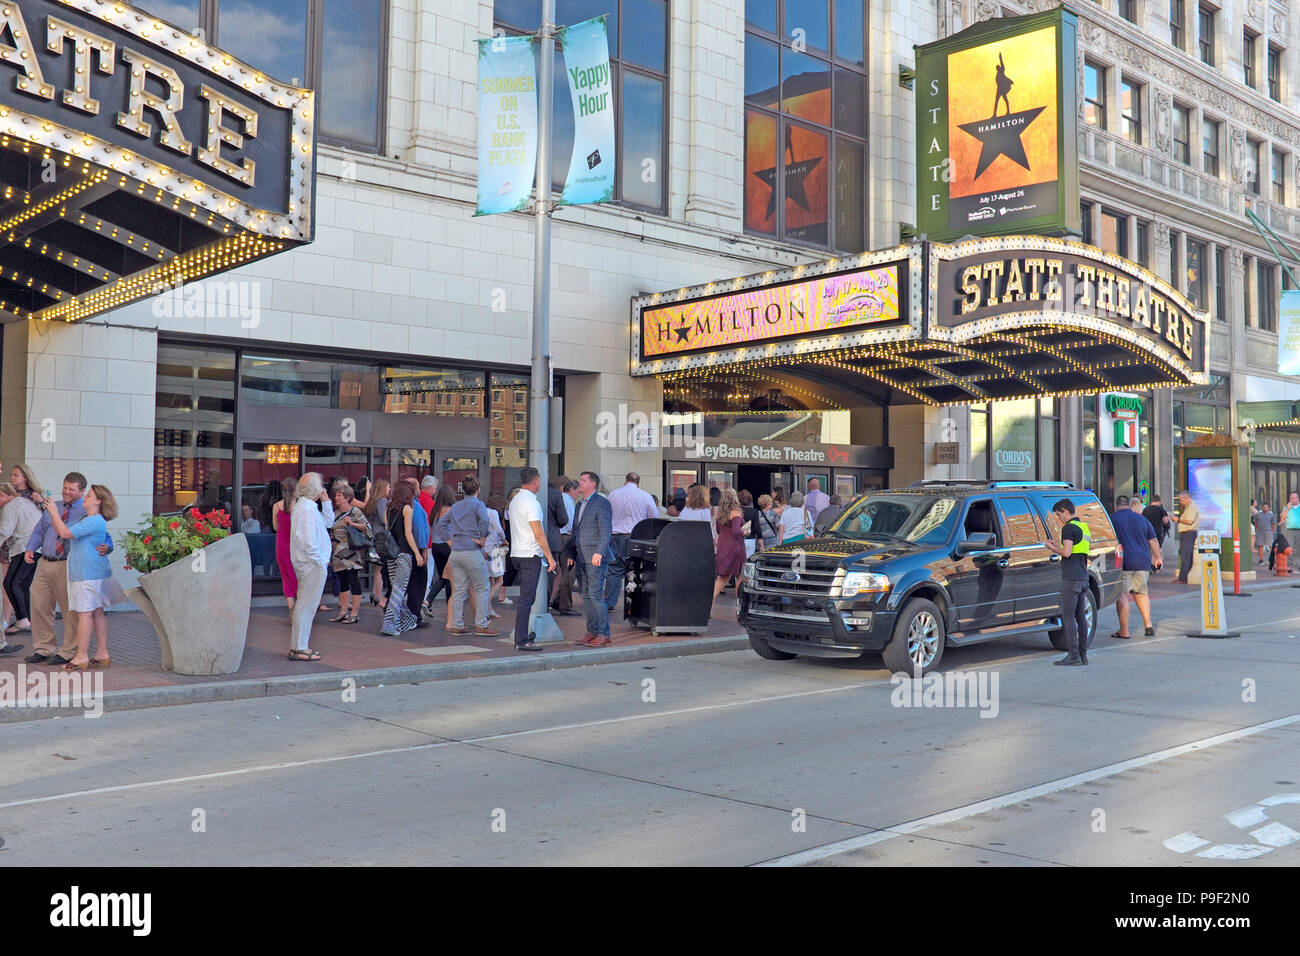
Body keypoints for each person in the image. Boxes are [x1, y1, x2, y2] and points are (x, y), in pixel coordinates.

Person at [23, 472, 110, 667]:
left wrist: (108, 547)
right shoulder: (56, 507)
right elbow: (39, 530)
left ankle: (69, 650)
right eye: (65, 487)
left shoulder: (87, 513)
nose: (66, 492)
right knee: (39, 604)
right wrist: (30, 548)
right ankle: (44, 648)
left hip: (68, 564)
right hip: (45, 561)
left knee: (72, 610)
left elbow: (102, 536)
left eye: (71, 489)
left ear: (82, 491)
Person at [44, 484, 124, 671]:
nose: (85, 498)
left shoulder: (93, 520)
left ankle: (81, 656)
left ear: (98, 501)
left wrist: (53, 511)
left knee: (85, 614)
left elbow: (64, 533)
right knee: (97, 612)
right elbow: (63, 529)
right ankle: (102, 653)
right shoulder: (92, 520)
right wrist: (53, 513)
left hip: (86, 573)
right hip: (95, 571)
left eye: (89, 495)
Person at [436, 475, 497, 636]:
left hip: (456, 552)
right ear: (478, 490)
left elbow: (441, 524)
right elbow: (484, 521)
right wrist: (483, 538)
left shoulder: (455, 506)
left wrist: (449, 541)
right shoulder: (478, 505)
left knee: (459, 590)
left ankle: (456, 624)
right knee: (483, 587)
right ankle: (482, 625)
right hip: (472, 550)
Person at [507, 466, 556, 652]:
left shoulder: (515, 500)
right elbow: (538, 532)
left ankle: (523, 635)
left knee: (527, 597)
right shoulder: (532, 503)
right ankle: (521, 639)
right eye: (540, 480)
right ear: (536, 480)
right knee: (527, 598)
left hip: (517, 552)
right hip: (530, 554)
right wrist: (550, 558)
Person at [288, 473, 334, 661]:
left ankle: (299, 646)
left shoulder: (307, 507)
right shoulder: (306, 509)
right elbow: (308, 541)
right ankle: (299, 647)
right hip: (311, 565)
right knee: (307, 606)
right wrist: (319, 560)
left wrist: (327, 503)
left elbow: (328, 522)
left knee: (306, 605)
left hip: (311, 564)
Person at [565, 470, 614, 647]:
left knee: (594, 594)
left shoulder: (602, 503)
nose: (580, 483)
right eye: (580, 480)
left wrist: (599, 552)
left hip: (595, 556)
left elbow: (606, 530)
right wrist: (571, 553)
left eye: (584, 480)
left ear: (593, 484)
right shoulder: (579, 504)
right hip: (581, 556)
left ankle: (603, 634)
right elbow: (575, 531)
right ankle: (592, 631)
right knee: (585, 594)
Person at [1045, 498, 1092, 666]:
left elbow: (1066, 553)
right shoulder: (1083, 527)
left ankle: (1073, 655)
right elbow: (1076, 549)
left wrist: (1052, 548)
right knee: (1080, 616)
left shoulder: (1068, 528)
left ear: (1065, 511)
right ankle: (1083, 655)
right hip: (1083, 577)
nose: (1059, 518)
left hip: (1071, 578)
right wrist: (1060, 545)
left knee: (1068, 615)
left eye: (1059, 515)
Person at [1110, 495, 1162, 639]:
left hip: (1123, 562)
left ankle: (1124, 631)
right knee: (1141, 593)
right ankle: (1148, 625)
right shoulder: (1142, 519)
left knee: (1122, 595)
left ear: (1116, 505)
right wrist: (1157, 558)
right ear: (1128, 505)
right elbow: (1153, 540)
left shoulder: (1112, 519)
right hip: (1143, 561)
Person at [606, 472, 658, 614]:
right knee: (634, 570)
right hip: (635, 537)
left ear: (626, 481)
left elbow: (607, 514)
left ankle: (610, 602)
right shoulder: (645, 496)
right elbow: (654, 517)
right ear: (638, 482)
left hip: (615, 537)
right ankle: (633, 603)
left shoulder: (613, 495)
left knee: (614, 570)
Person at [0, 482, 41, 651]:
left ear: (3, 495)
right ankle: (25, 617)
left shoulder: (11, 506)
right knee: (20, 584)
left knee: (11, 582)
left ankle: (23, 618)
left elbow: (5, 530)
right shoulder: (28, 503)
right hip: (35, 547)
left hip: (23, 548)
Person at [381, 480, 422, 637]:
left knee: (396, 590)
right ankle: (389, 624)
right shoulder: (408, 508)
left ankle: (406, 621)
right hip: (404, 555)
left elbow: (387, 531)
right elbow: (408, 533)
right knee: (399, 591)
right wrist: (417, 554)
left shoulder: (388, 508)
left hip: (391, 554)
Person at [329, 483, 369, 625]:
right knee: (342, 582)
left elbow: (367, 528)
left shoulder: (355, 512)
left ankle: (355, 613)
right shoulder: (334, 513)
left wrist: (352, 524)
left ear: (347, 498)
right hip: (337, 553)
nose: (336, 498)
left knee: (353, 580)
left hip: (351, 552)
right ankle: (343, 612)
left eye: (339, 496)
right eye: (336, 495)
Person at [400, 477, 431, 627]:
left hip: (405, 550)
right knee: (417, 584)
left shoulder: (399, 505)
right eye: (418, 486)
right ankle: (414, 616)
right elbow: (418, 529)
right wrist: (422, 549)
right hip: (415, 550)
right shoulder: (414, 507)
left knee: (406, 584)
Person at [549, 478, 581, 616]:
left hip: (559, 537)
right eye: (577, 492)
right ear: (571, 490)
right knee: (568, 572)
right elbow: (570, 523)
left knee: (561, 572)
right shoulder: (567, 501)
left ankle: (557, 599)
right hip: (565, 538)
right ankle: (564, 604)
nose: (578, 495)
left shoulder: (561, 498)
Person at [425, 483, 455, 612]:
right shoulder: (451, 510)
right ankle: (450, 608)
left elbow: (431, 528)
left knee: (444, 577)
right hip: (447, 545)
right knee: (450, 577)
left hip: (436, 546)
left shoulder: (435, 511)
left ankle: (428, 601)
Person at [713, 488, 746, 603]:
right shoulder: (736, 513)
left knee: (722, 577)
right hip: (735, 547)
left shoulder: (719, 514)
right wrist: (746, 532)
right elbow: (736, 531)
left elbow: (718, 530)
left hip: (723, 546)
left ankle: (709, 605)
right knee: (740, 575)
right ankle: (739, 605)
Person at [363, 478, 390, 609]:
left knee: (376, 568)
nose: (389, 490)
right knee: (380, 569)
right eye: (388, 487)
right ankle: (378, 595)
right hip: (380, 538)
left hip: (373, 537)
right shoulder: (382, 501)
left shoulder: (372, 502)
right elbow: (384, 520)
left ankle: (375, 592)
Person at [272, 477, 299, 611]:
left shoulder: (276, 506)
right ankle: (300, 606)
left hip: (281, 545)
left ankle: (291, 608)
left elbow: (276, 527)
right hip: (296, 545)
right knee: (297, 575)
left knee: (286, 577)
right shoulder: (300, 507)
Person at [484, 494, 509, 614]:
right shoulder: (493, 513)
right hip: (494, 549)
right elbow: (499, 529)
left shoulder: (483, 510)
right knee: (499, 580)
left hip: (484, 549)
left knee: (490, 581)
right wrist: (504, 540)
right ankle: (485, 606)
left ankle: (489, 609)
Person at [1175, 489, 1200, 584]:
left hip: (1189, 533)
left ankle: (1183, 578)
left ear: (1186, 498)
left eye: (1181, 500)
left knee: (1186, 555)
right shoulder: (1188, 507)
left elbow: (1190, 521)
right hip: (1186, 534)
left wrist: (1178, 520)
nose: (1180, 502)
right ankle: (1183, 577)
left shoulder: (1192, 507)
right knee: (1184, 554)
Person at [1142, 494, 1170, 572]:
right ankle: (1154, 565)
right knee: (1156, 550)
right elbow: (1165, 521)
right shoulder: (1160, 510)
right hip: (1157, 532)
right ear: (1159, 501)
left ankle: (1149, 565)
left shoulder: (1145, 510)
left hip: (1146, 532)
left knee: (1148, 549)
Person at [738, 490, 762, 557]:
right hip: (750, 539)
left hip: (738, 539)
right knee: (748, 561)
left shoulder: (736, 511)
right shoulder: (754, 511)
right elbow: (757, 527)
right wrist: (761, 540)